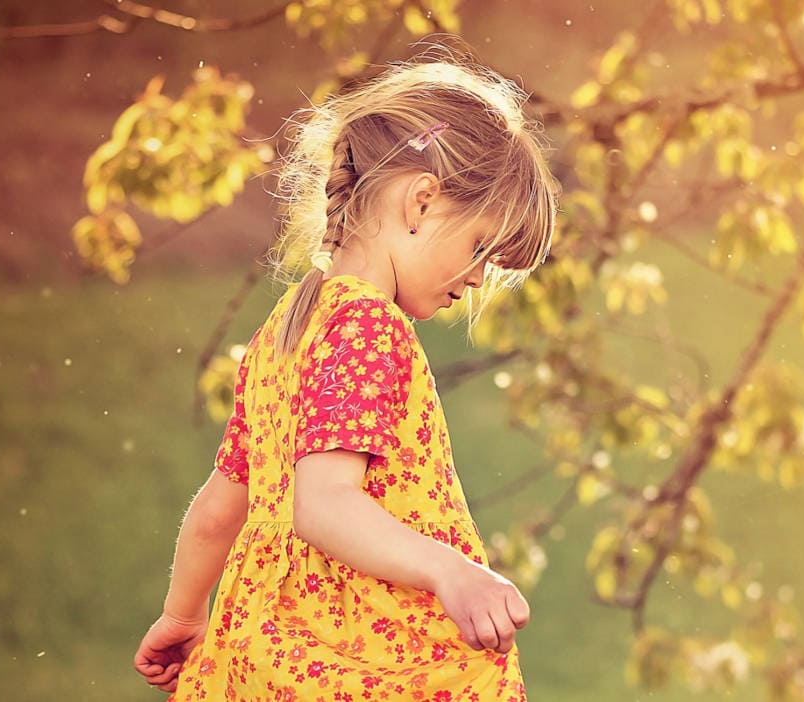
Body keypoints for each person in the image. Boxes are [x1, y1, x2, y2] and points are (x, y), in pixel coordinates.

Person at [133, 46, 559, 701]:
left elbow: (221, 508)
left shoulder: (286, 329)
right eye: (480, 247)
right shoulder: (368, 325)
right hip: (354, 661)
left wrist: (184, 615)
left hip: (262, 656)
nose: (478, 278)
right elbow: (325, 504)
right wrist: (452, 572)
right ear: (421, 201)